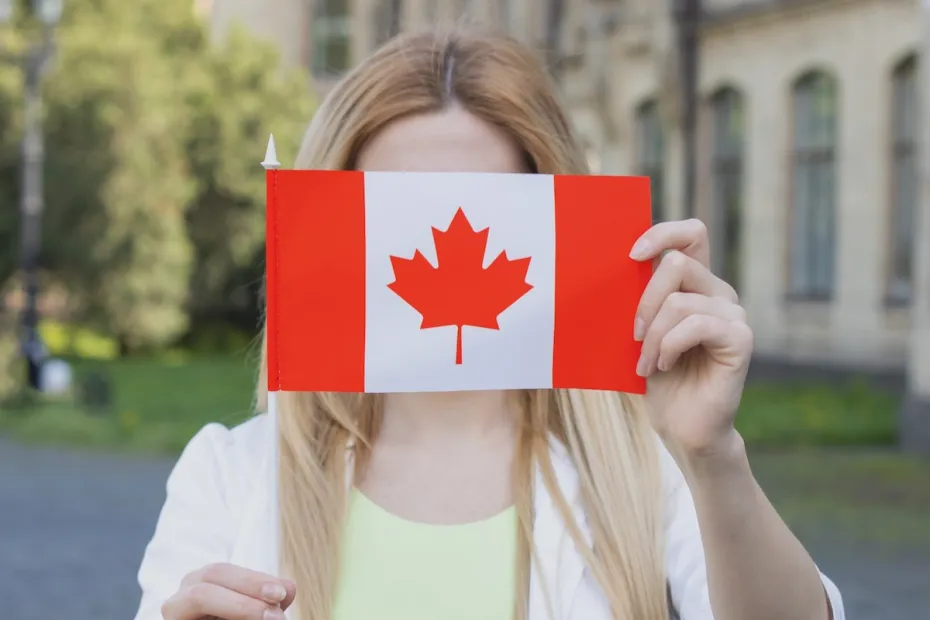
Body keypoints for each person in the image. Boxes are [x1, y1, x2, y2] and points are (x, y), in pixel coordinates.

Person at [135, 29, 845, 620]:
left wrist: (713, 454)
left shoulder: (649, 474)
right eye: (398, 211)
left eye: (486, 208)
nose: (444, 233)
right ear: (330, 230)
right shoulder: (229, 477)